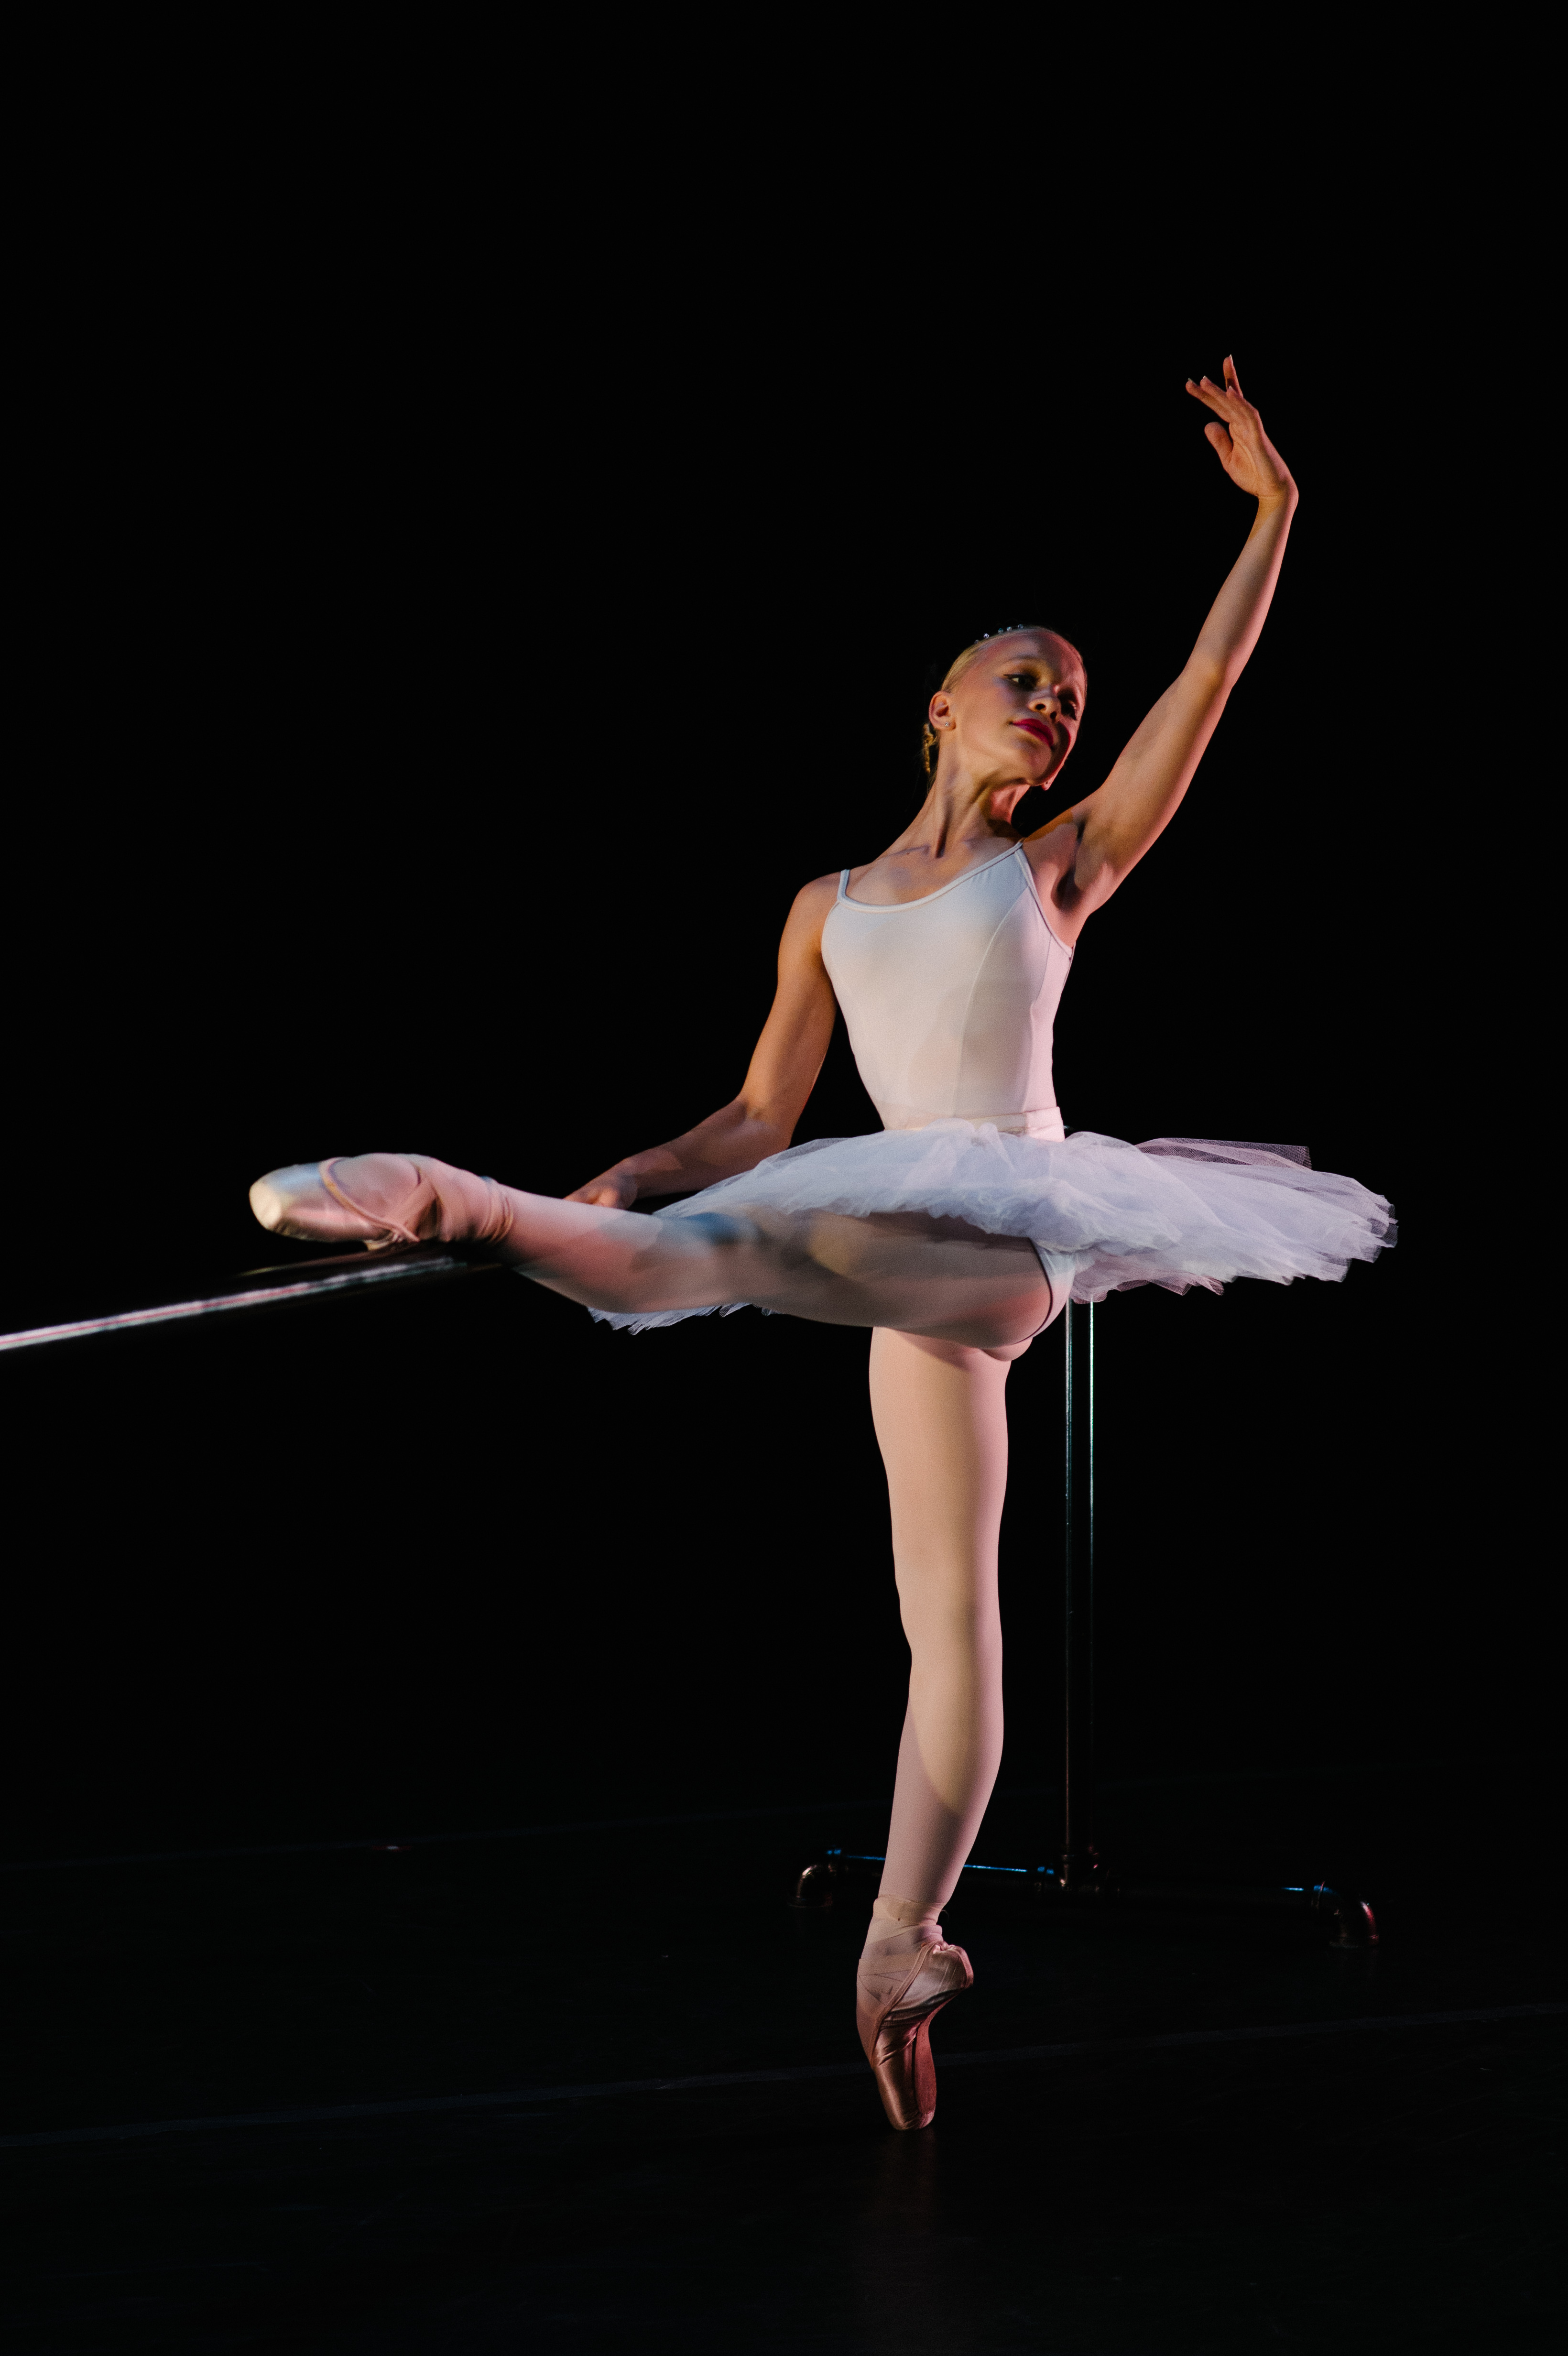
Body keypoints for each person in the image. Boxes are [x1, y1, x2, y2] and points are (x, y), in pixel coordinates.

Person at [250, 360, 1392, 2132]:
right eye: (1026, 681)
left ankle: (449, 1196)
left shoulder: (1064, 866)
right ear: (940, 707)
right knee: (949, 1622)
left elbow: (1210, 681)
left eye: (1070, 699)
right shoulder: (827, 907)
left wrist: (1278, 514)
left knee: (719, 1260)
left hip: (1003, 1223)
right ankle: (899, 1949)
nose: (1056, 709)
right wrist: (635, 1171)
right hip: (885, 1252)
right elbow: (753, 1121)